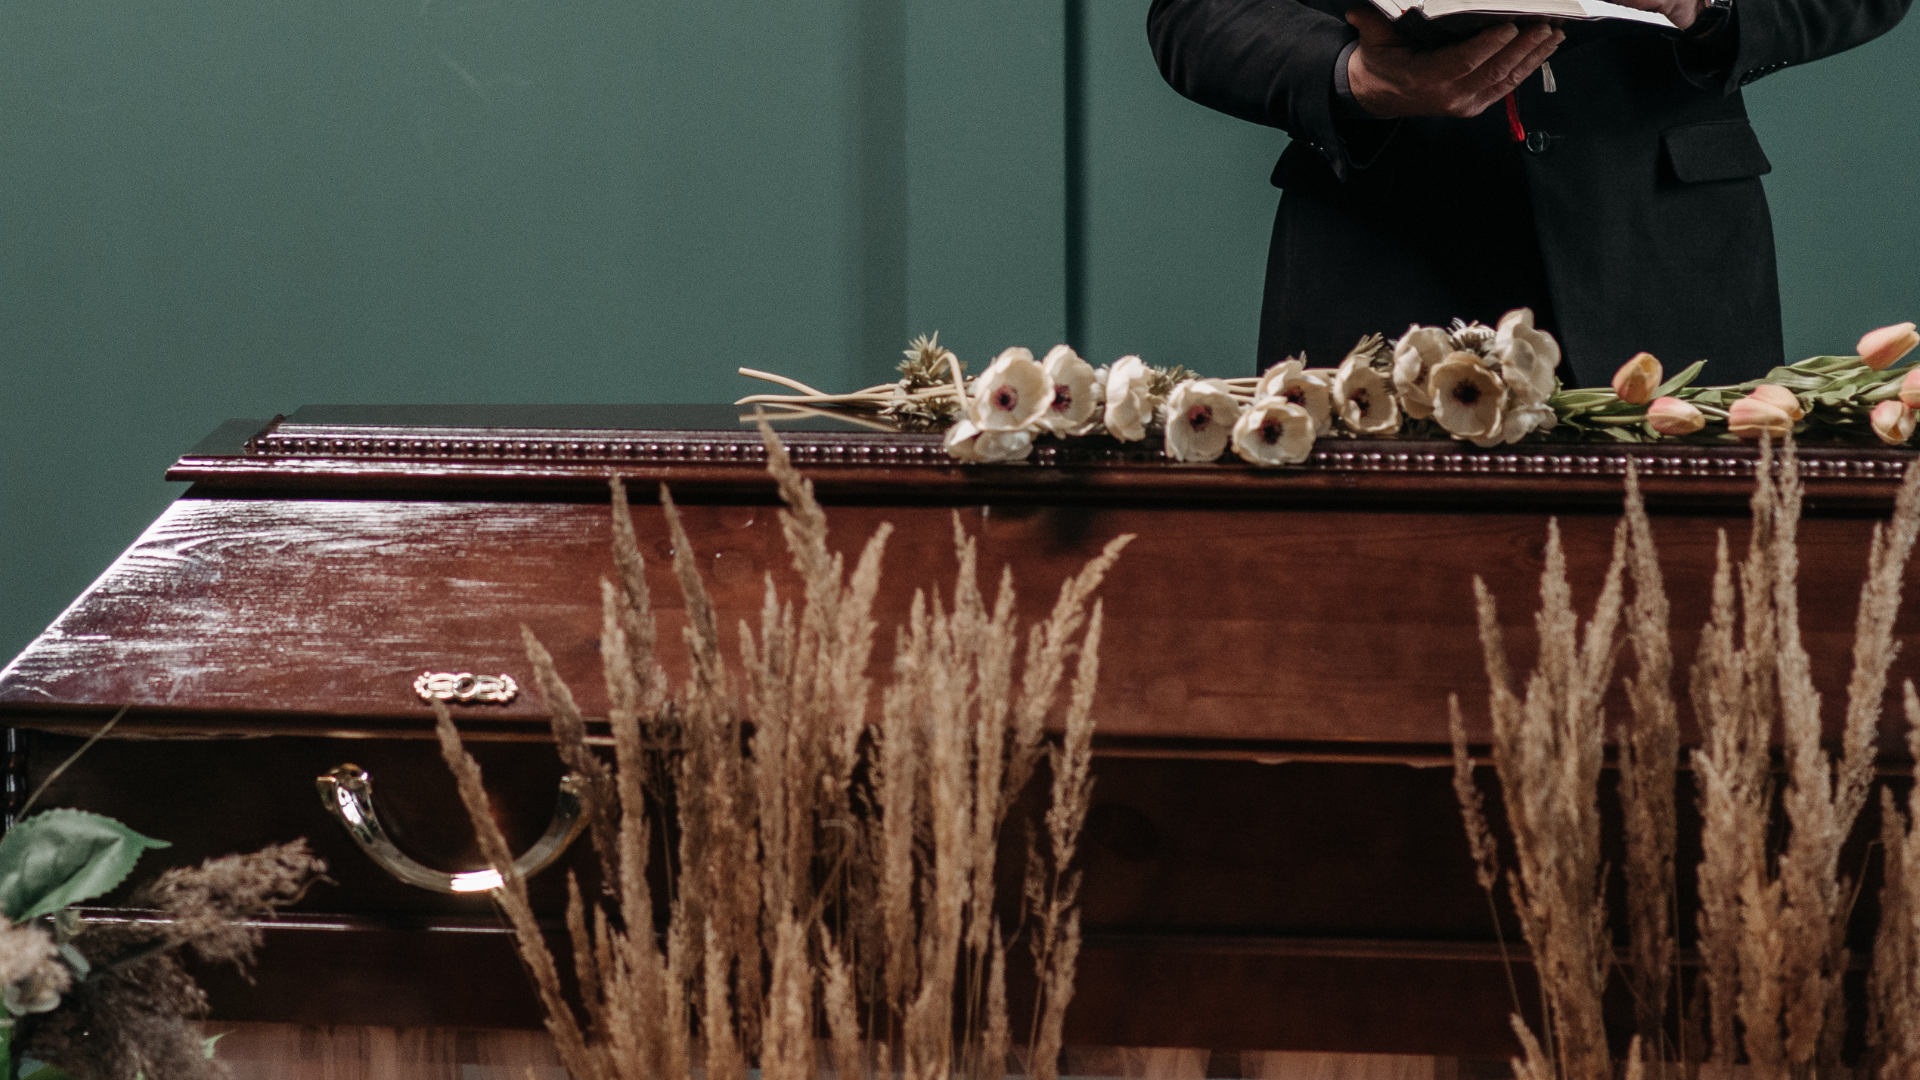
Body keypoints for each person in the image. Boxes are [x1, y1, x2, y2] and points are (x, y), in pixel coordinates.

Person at [1148, 0, 1909, 385]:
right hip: (1378, 266)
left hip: (1670, 266)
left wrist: (1706, 3)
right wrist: (1359, 79)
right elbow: (1198, 13)